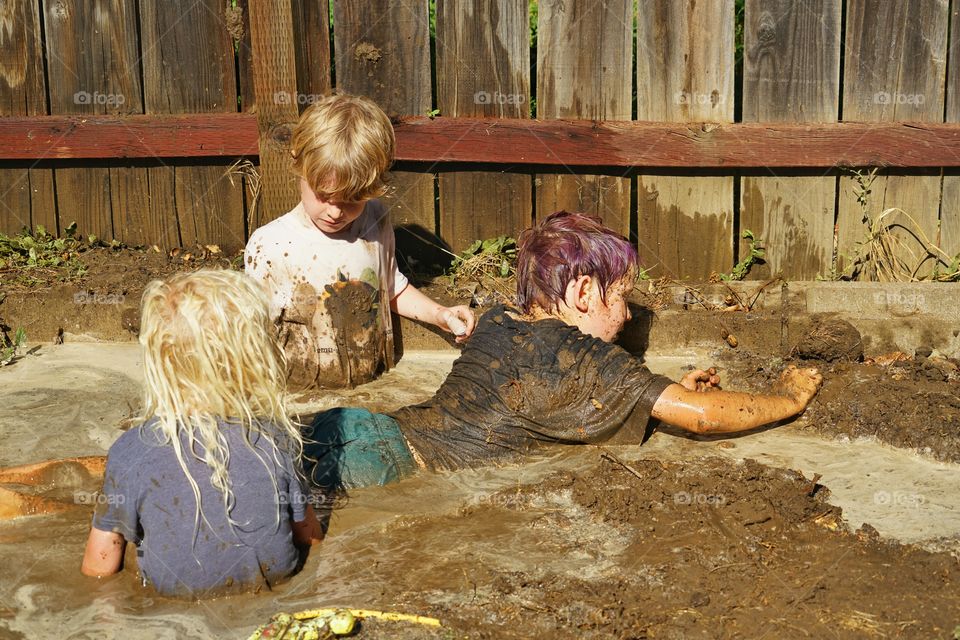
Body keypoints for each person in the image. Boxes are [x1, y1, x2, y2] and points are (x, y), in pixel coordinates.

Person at [303, 211, 823, 489]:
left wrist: (655, 400)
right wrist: (786, 398)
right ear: (582, 294)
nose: (626, 316)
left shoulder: (499, 321)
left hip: (357, 427)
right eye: (621, 299)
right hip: (383, 466)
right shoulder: (581, 359)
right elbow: (706, 418)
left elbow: (556, 401)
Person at [79, 269, 322, 597]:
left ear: (159, 361)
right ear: (253, 361)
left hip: (173, 600)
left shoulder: (131, 450)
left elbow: (99, 567)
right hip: (278, 583)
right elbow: (310, 536)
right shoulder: (275, 437)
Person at [245, 92, 475, 391]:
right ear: (298, 166)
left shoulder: (374, 218)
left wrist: (439, 314)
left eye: (353, 200)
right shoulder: (272, 246)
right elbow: (253, 337)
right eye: (324, 196)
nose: (336, 211)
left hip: (372, 384)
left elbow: (388, 284)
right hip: (303, 393)